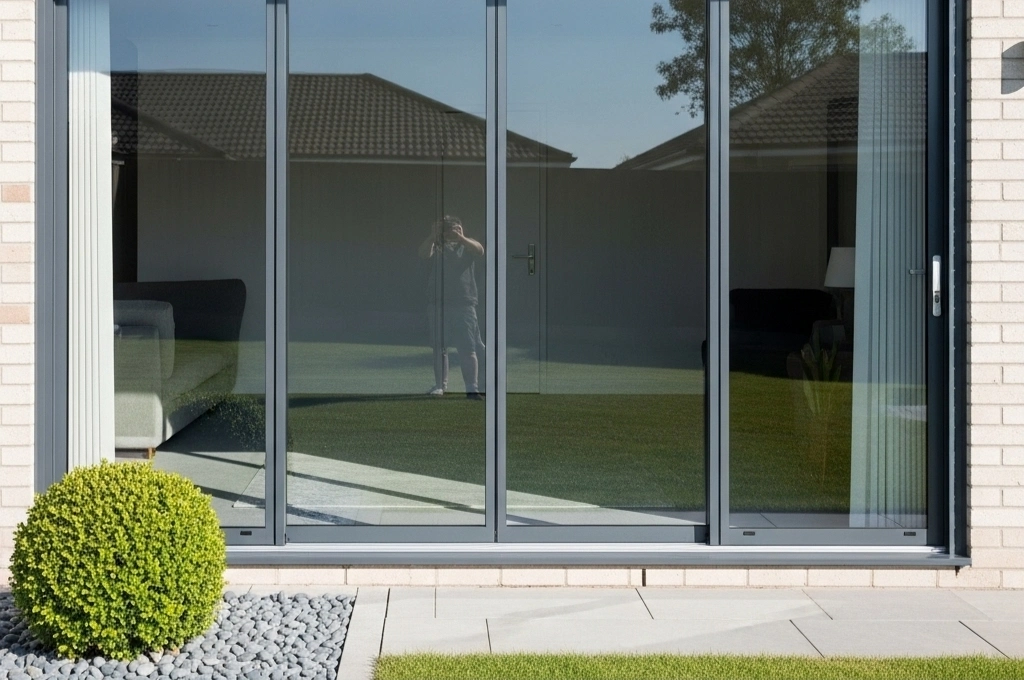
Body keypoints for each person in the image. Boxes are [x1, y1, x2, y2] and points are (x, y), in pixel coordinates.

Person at [418, 215, 485, 399]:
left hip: (464, 303)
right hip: (438, 303)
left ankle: (472, 387)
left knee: (468, 348)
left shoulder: (467, 245)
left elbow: (480, 250)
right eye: (448, 230)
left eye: (455, 229)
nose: (452, 233)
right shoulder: (436, 246)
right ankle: (441, 385)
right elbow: (423, 254)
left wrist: (462, 238)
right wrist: (434, 236)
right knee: (439, 347)